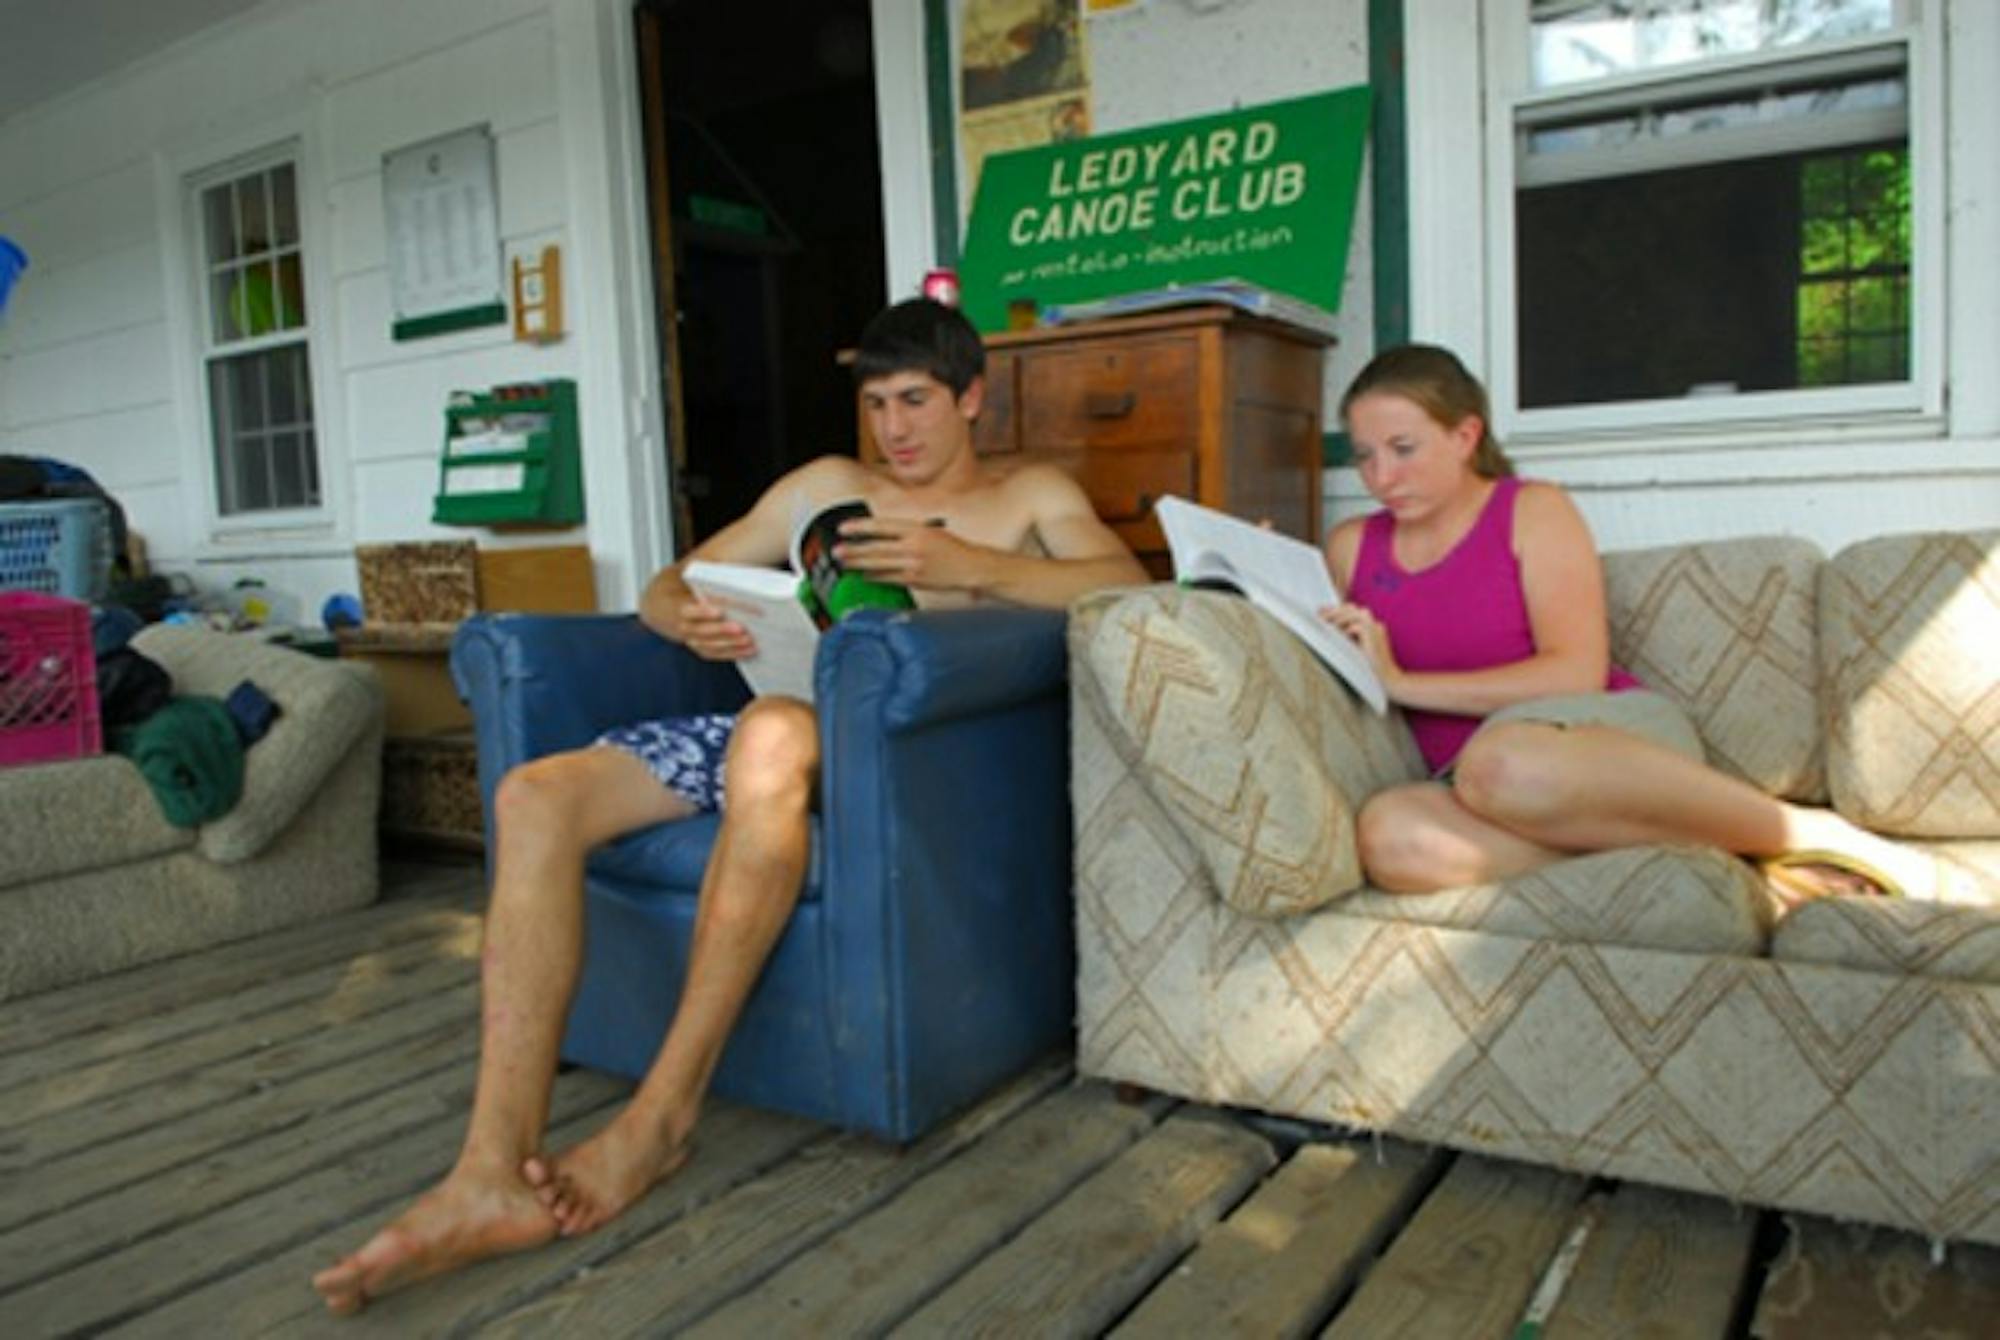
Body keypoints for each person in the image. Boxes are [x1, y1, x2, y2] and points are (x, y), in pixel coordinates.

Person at [312, 299, 1145, 1316]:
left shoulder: (1027, 497)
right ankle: (489, 1161)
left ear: (970, 397)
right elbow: (671, 578)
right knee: (533, 794)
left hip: (908, 768)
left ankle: (660, 1115)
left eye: (917, 400)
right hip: (772, 728)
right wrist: (687, 614)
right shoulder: (826, 488)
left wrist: (968, 568)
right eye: (876, 402)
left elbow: (1126, 582)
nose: (895, 427)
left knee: (770, 734)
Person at [1320, 343, 1934, 906]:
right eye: (1365, 457)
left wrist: (1404, 684)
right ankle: (1717, 865)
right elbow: (1325, 654)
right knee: (1388, 837)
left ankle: (1809, 831)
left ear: (1464, 435)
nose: (1382, 478)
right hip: (1473, 793)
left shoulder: (1531, 509)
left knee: (1501, 764)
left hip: (1592, 738)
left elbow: (1576, 671)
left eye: (1404, 449)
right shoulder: (1351, 546)